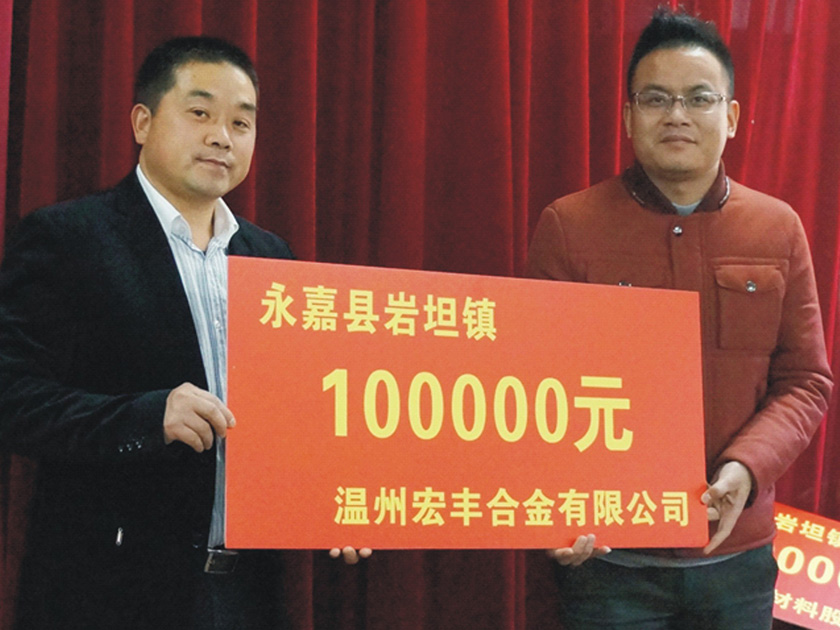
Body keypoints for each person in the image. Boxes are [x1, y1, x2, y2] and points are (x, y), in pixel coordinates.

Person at [0, 36, 365, 630]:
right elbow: (13, 397)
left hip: (247, 592)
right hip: (110, 591)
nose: (222, 136)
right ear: (142, 123)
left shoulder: (272, 259)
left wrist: (331, 500)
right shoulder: (68, 238)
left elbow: (300, 417)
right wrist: (147, 417)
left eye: (241, 122)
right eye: (200, 112)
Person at [526, 8, 832, 629]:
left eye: (698, 97)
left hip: (737, 561)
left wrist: (747, 466)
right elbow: (534, 387)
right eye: (656, 98)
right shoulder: (570, 225)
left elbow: (806, 381)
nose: (677, 115)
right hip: (610, 565)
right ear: (628, 117)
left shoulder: (778, 228)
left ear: (732, 116)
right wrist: (558, 510)